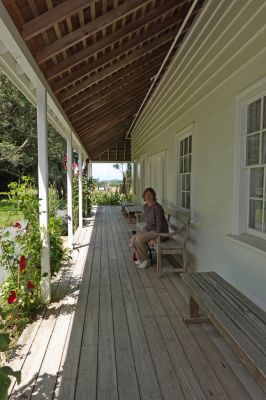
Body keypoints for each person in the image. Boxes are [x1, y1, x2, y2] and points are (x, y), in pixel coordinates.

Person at [130, 187, 169, 270]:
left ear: (153, 196)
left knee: (139, 239)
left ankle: (146, 260)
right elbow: (148, 221)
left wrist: (157, 238)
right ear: (144, 196)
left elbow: (160, 224)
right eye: (146, 195)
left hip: (158, 231)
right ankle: (140, 258)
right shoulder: (145, 206)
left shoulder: (157, 208)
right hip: (149, 228)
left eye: (150, 194)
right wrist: (144, 230)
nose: (148, 196)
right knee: (133, 239)